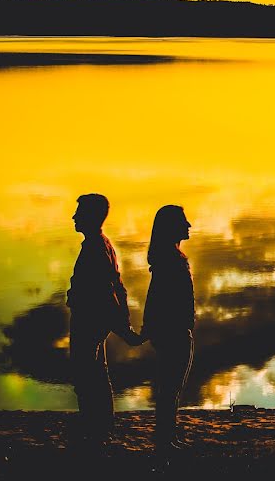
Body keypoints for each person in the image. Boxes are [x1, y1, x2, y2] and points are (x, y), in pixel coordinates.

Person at [67, 193, 142, 450]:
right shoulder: (101, 244)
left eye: (79, 212)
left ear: (91, 216)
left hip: (89, 321)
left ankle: (95, 429)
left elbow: (107, 289)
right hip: (95, 320)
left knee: (86, 374)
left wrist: (122, 326)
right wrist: (123, 324)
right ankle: (102, 426)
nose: (74, 217)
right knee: (96, 373)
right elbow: (118, 286)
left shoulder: (97, 248)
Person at [141, 205, 195, 453]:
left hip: (171, 331)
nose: (189, 225)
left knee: (170, 387)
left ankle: (167, 436)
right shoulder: (170, 260)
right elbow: (157, 297)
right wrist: (152, 327)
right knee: (170, 388)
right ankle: (165, 439)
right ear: (171, 227)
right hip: (173, 333)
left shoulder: (170, 256)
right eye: (183, 221)